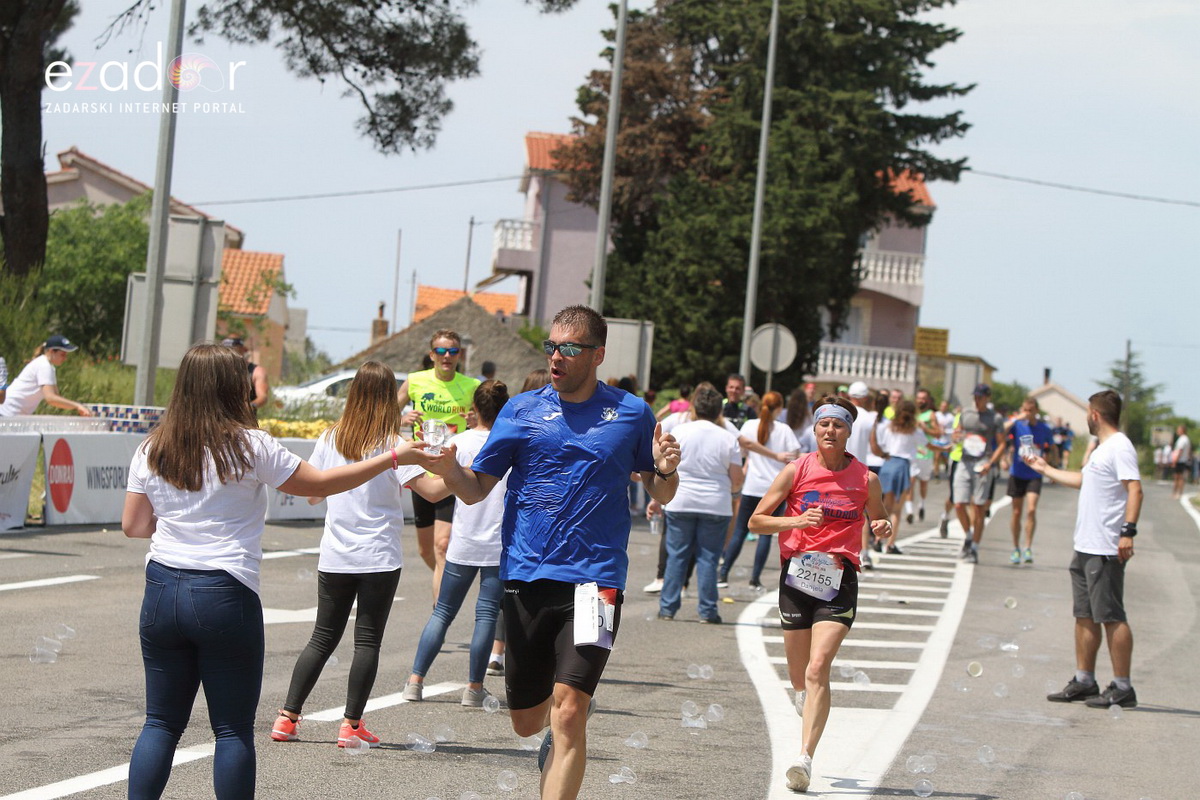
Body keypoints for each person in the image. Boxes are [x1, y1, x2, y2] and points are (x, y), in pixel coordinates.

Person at [121, 344, 440, 799]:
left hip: (161, 588)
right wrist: (392, 458)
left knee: (161, 723)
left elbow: (134, 525)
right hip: (224, 589)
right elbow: (320, 484)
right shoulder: (251, 445)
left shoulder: (153, 446)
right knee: (231, 729)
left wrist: (181, 521)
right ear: (232, 387)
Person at [429, 305, 680, 799]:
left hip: (597, 581)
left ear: (597, 355)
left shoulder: (632, 413)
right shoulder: (521, 410)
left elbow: (661, 492)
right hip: (526, 575)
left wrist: (667, 470)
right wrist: (450, 470)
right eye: (551, 346)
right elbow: (476, 489)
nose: (556, 357)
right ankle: (561, 724)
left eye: (569, 348)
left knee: (568, 710)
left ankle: (572, 719)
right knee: (527, 721)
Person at [271, 362, 436, 748]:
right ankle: (351, 725)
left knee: (322, 637)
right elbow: (431, 492)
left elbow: (314, 494)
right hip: (379, 555)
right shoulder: (392, 444)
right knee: (367, 641)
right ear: (388, 398)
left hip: (336, 554)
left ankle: (287, 718)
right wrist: (464, 472)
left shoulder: (331, 437)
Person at [748, 396, 891, 793]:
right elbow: (756, 521)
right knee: (800, 677)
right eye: (824, 424)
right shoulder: (796, 471)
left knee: (817, 668)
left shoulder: (866, 479)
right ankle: (803, 696)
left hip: (839, 579)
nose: (830, 431)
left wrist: (882, 526)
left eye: (838, 425)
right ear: (814, 430)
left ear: (849, 432)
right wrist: (797, 520)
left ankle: (804, 759)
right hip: (797, 579)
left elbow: (879, 516)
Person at [1025, 390, 1142, 709]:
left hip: (1105, 546)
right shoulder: (1102, 450)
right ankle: (1084, 680)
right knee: (1085, 615)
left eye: (1088, 412)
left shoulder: (1119, 446)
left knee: (1111, 616)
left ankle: (1123, 687)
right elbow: (1083, 481)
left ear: (1095, 415)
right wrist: (1045, 468)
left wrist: (1127, 532)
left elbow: (1135, 489)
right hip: (1085, 544)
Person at [403, 380, 512, 707]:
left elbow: (437, 482)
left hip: (464, 538)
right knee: (486, 614)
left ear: (474, 409)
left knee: (443, 612)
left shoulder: (459, 442)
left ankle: (415, 681)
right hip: (497, 541)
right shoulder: (510, 443)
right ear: (505, 408)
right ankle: (473, 688)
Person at [397, 329, 481, 602]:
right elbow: (384, 416)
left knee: (442, 545)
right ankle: (449, 583)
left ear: (460, 355)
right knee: (426, 551)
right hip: (421, 471)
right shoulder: (415, 381)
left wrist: (475, 422)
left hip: (451, 471)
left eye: (453, 351)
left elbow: (488, 422)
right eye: (442, 351)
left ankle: (440, 613)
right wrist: (401, 419)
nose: (447, 356)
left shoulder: (471, 386)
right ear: (432, 354)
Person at [650, 383, 741, 622]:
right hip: (716, 503)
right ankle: (708, 611)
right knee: (709, 558)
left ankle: (668, 607)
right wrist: (732, 493)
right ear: (719, 412)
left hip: (681, 499)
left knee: (677, 555)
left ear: (694, 408)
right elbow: (736, 479)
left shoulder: (680, 431)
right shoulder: (729, 438)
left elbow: (664, 465)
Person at [718, 390, 799, 588]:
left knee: (739, 531)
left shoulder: (749, 425)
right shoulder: (784, 430)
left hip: (752, 486)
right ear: (779, 408)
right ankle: (755, 579)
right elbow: (795, 456)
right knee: (765, 535)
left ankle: (723, 573)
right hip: (775, 489)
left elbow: (743, 451)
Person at [952, 384, 1006, 564]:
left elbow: (1002, 444)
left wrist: (991, 463)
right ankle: (968, 536)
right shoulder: (966, 413)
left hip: (983, 463)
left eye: (980, 397)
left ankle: (974, 547)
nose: (977, 400)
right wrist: (956, 437)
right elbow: (957, 433)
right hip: (965, 461)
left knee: (978, 506)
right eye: (975, 396)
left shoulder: (995, 418)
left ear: (987, 398)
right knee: (958, 503)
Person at [871, 399, 926, 553]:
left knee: (885, 506)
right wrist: (944, 449)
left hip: (888, 464)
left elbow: (883, 444)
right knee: (897, 509)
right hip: (902, 466)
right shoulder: (914, 430)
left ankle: (877, 539)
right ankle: (890, 544)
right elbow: (926, 444)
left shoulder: (889, 427)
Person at [1003, 397, 1054, 564]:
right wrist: (1017, 418)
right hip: (1017, 472)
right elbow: (1002, 431)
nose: (1027, 413)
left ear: (1036, 411)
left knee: (1031, 510)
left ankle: (1028, 547)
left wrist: (1050, 467)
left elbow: (1050, 447)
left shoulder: (1044, 428)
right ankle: (1015, 547)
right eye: (1025, 410)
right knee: (1016, 512)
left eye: (1030, 411)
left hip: (1034, 474)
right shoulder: (1017, 425)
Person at [0, 335, 93, 417]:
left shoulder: (48, 366)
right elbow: (50, 398)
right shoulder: (44, 365)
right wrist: (77, 406)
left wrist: (79, 407)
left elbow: (56, 397)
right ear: (52, 351)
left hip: (10, 413)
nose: (65, 358)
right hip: (7, 413)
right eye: (62, 354)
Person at [907, 388, 943, 523]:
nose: (921, 401)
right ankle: (909, 511)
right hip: (913, 453)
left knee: (923, 483)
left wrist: (925, 428)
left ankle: (921, 504)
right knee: (910, 482)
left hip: (926, 454)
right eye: (919, 398)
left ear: (928, 400)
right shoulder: (911, 413)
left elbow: (938, 433)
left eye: (923, 398)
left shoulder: (931, 415)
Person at [221, 337, 269, 416]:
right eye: (226, 351)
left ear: (244, 350)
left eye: (234, 350)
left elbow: (262, 397)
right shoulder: (219, 370)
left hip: (245, 419)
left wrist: (250, 406)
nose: (230, 354)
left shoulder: (256, 371)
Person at [1170, 424, 1192, 499]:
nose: (1177, 431)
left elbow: (1180, 450)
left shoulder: (1182, 439)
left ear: (1182, 430)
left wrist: (1175, 461)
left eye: (1178, 429)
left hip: (1180, 460)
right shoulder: (1187, 439)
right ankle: (1179, 493)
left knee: (1178, 477)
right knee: (1180, 477)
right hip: (1184, 460)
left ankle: (1176, 492)